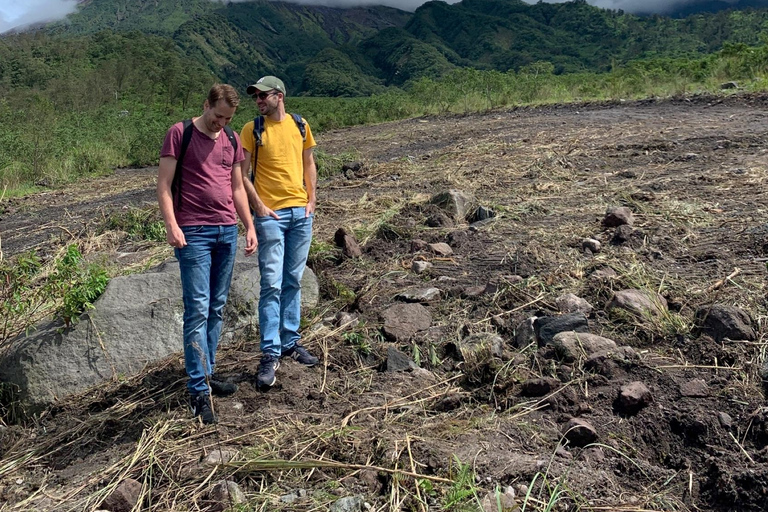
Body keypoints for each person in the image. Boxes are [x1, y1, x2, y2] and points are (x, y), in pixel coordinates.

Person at [157, 84, 257, 424]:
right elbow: (164, 185)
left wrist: (250, 226)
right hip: (194, 233)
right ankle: (198, 389)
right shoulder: (180, 133)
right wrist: (172, 225)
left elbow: (237, 187)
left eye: (228, 118)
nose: (221, 123)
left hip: (226, 230)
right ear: (206, 106)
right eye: (217, 116)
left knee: (216, 306)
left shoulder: (231, 139)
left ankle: (208, 371)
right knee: (197, 309)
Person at [239, 76, 319, 390]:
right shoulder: (251, 129)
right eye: (256, 97)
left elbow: (309, 162)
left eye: (263, 96)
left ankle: (290, 341)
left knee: (293, 280)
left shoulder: (300, 125)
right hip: (270, 216)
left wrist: (312, 199)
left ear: (279, 96)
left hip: (301, 214)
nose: (258, 101)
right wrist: (257, 205)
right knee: (271, 284)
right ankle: (270, 352)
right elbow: (242, 174)